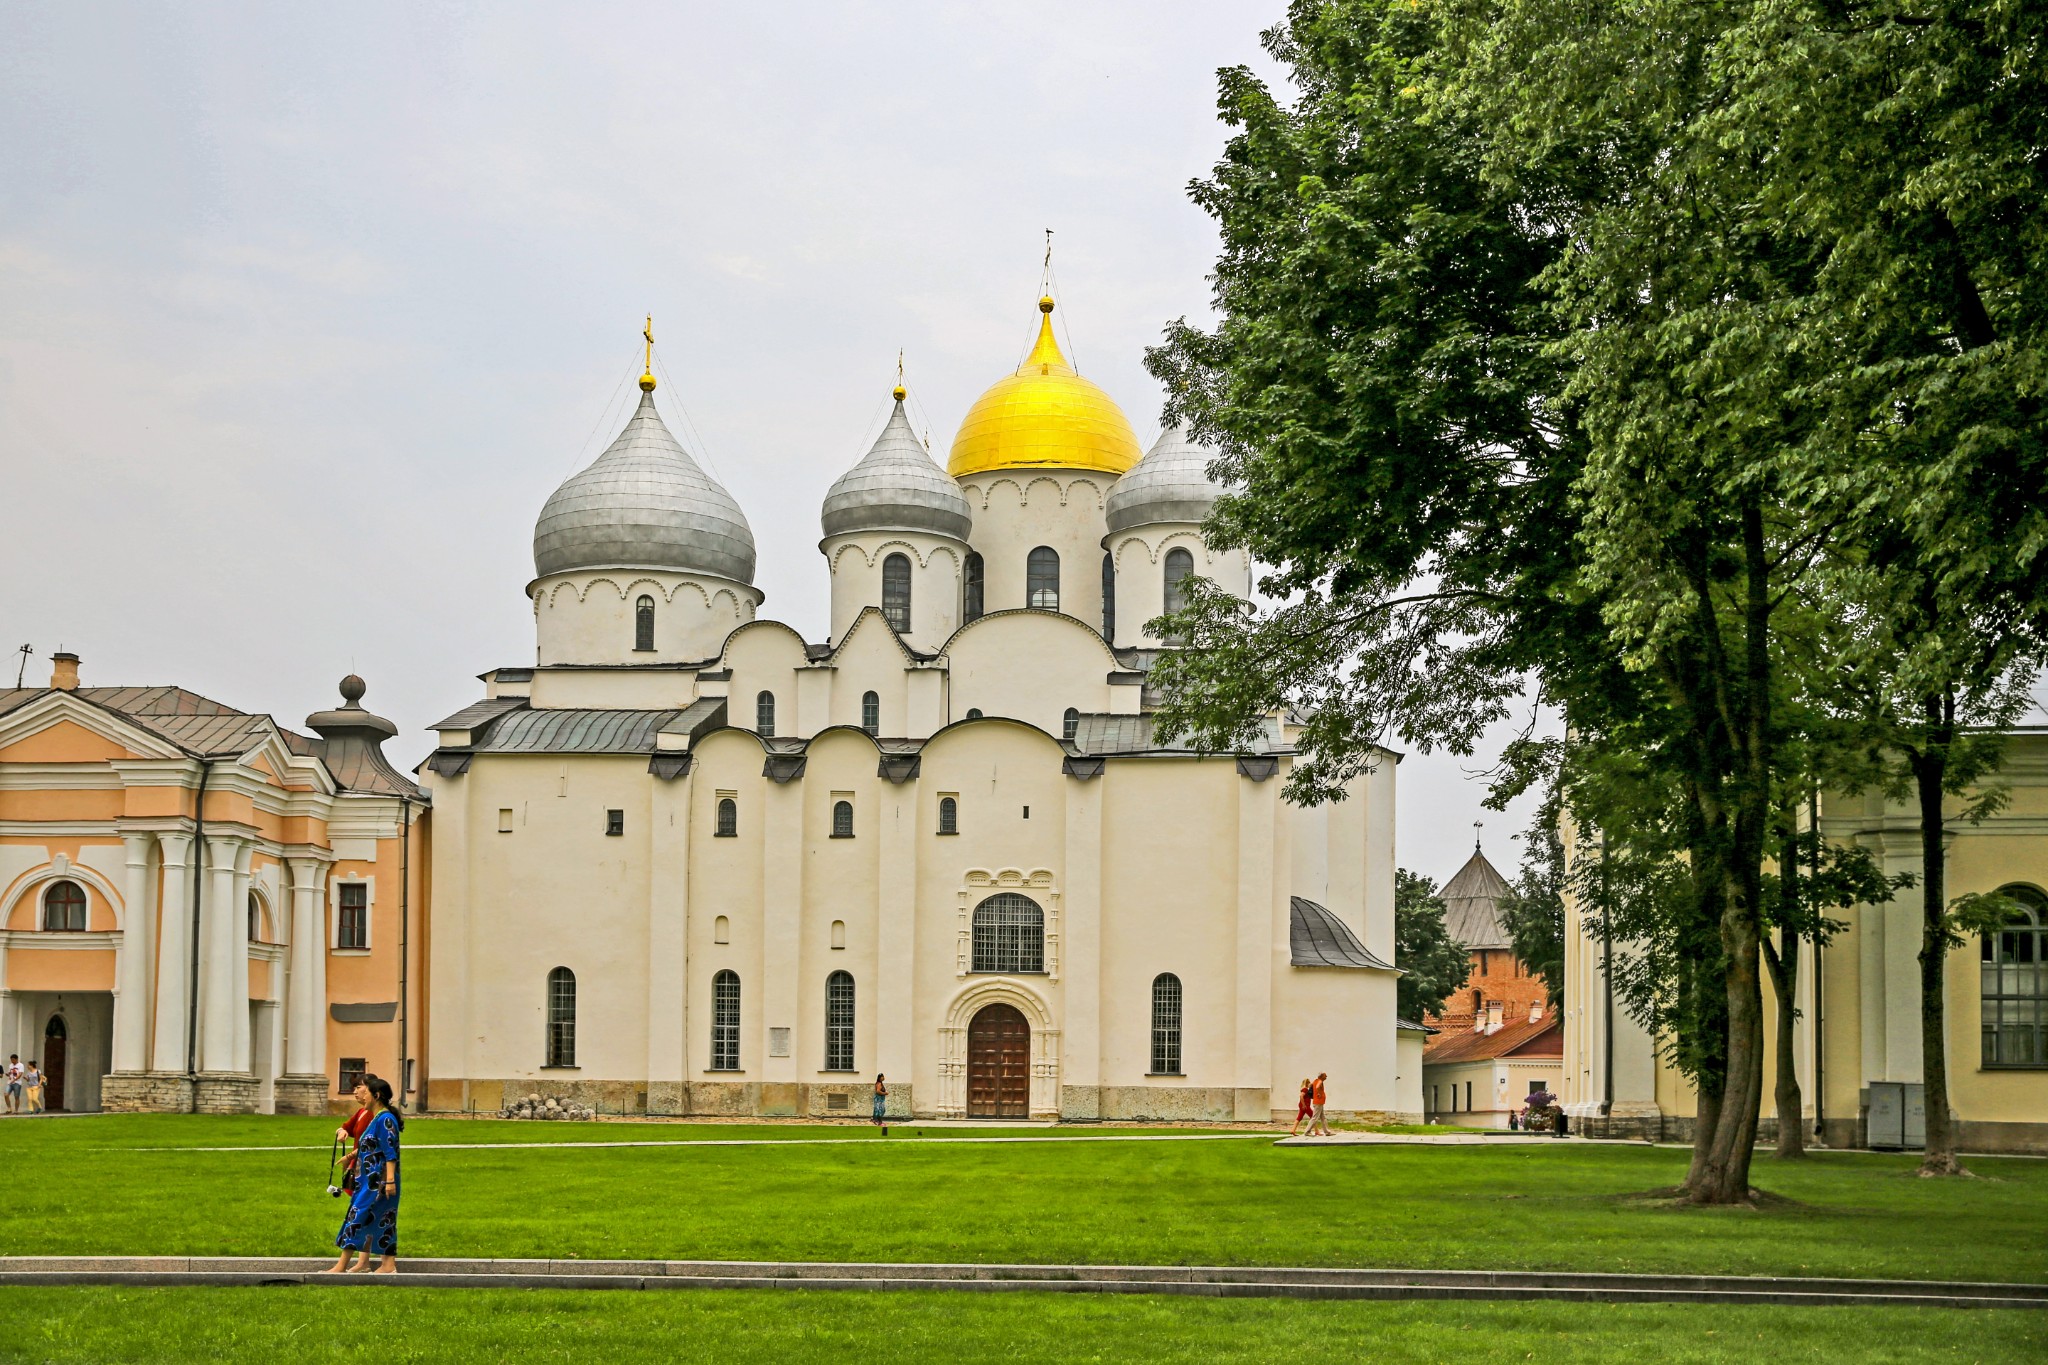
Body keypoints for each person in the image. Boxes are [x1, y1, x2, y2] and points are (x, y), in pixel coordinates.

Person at [326, 1073, 402, 1273]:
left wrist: (391, 1181)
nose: (361, 1096)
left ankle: (342, 1266)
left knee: (358, 1217)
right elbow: (369, 1145)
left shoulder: (385, 1119)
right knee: (380, 1220)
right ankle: (386, 1266)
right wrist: (350, 1157)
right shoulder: (376, 1118)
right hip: (368, 1181)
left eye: (365, 1092)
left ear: (376, 1095)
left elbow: (389, 1152)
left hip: (379, 1182)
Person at [334, 1082, 374, 1194]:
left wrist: (349, 1157)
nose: (355, 1092)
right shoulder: (362, 1111)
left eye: (358, 1088)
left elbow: (370, 1143)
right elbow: (344, 1127)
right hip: (358, 1161)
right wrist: (342, 1132)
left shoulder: (377, 1115)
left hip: (368, 1163)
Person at [1308, 1072, 1330, 1136]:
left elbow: (1310, 1085)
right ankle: (1307, 1131)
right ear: (1321, 1076)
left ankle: (1327, 1131)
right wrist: (1319, 1093)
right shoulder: (1320, 1081)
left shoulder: (1315, 1081)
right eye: (1325, 1076)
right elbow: (1317, 1087)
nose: (1326, 1077)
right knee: (1315, 1118)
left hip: (1318, 1102)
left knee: (1323, 1117)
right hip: (1318, 1102)